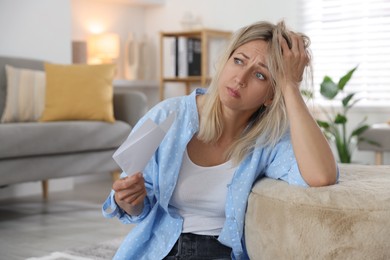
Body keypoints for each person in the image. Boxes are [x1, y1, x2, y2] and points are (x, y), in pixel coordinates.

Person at [102, 20, 338, 260]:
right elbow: (131, 200)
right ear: (225, 60)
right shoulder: (165, 116)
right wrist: (130, 201)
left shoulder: (269, 140)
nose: (240, 78)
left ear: (271, 95)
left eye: (260, 75)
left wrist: (290, 85)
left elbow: (322, 175)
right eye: (238, 61)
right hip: (158, 250)